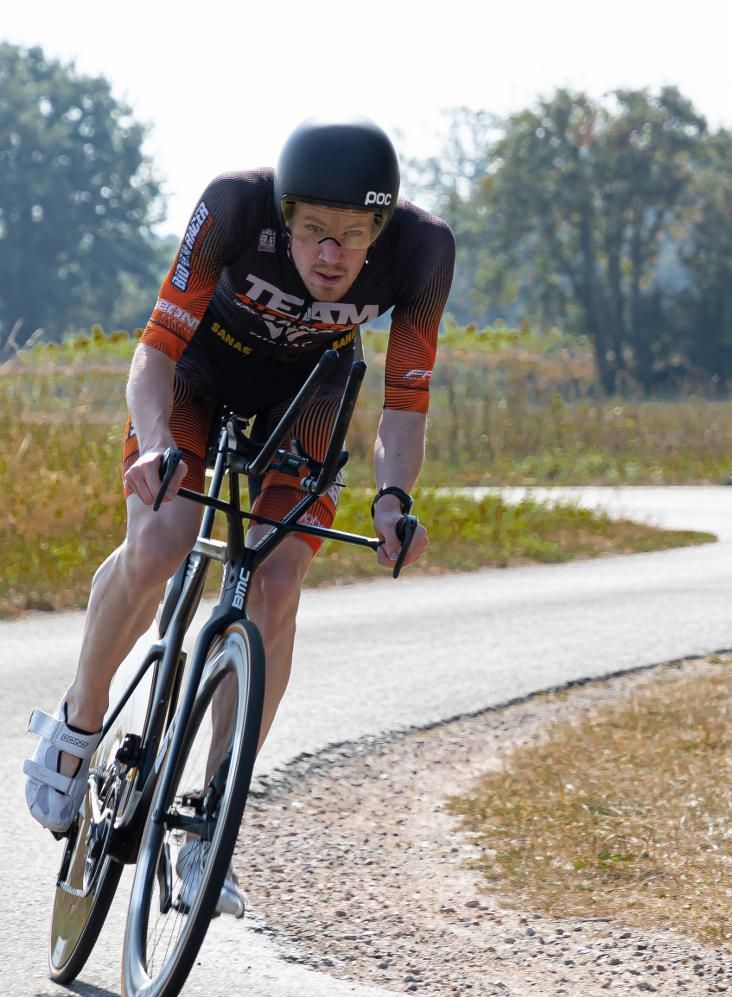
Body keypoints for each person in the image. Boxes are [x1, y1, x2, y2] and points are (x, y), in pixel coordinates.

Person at [23, 116, 455, 913]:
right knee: (162, 538)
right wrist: (157, 443)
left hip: (311, 391)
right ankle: (77, 725)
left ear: (381, 230)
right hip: (197, 372)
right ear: (285, 220)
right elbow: (156, 348)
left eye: (352, 236)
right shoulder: (233, 204)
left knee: (277, 582)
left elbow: (406, 397)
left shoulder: (424, 251)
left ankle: (211, 828)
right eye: (315, 231)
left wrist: (395, 500)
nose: (332, 255)